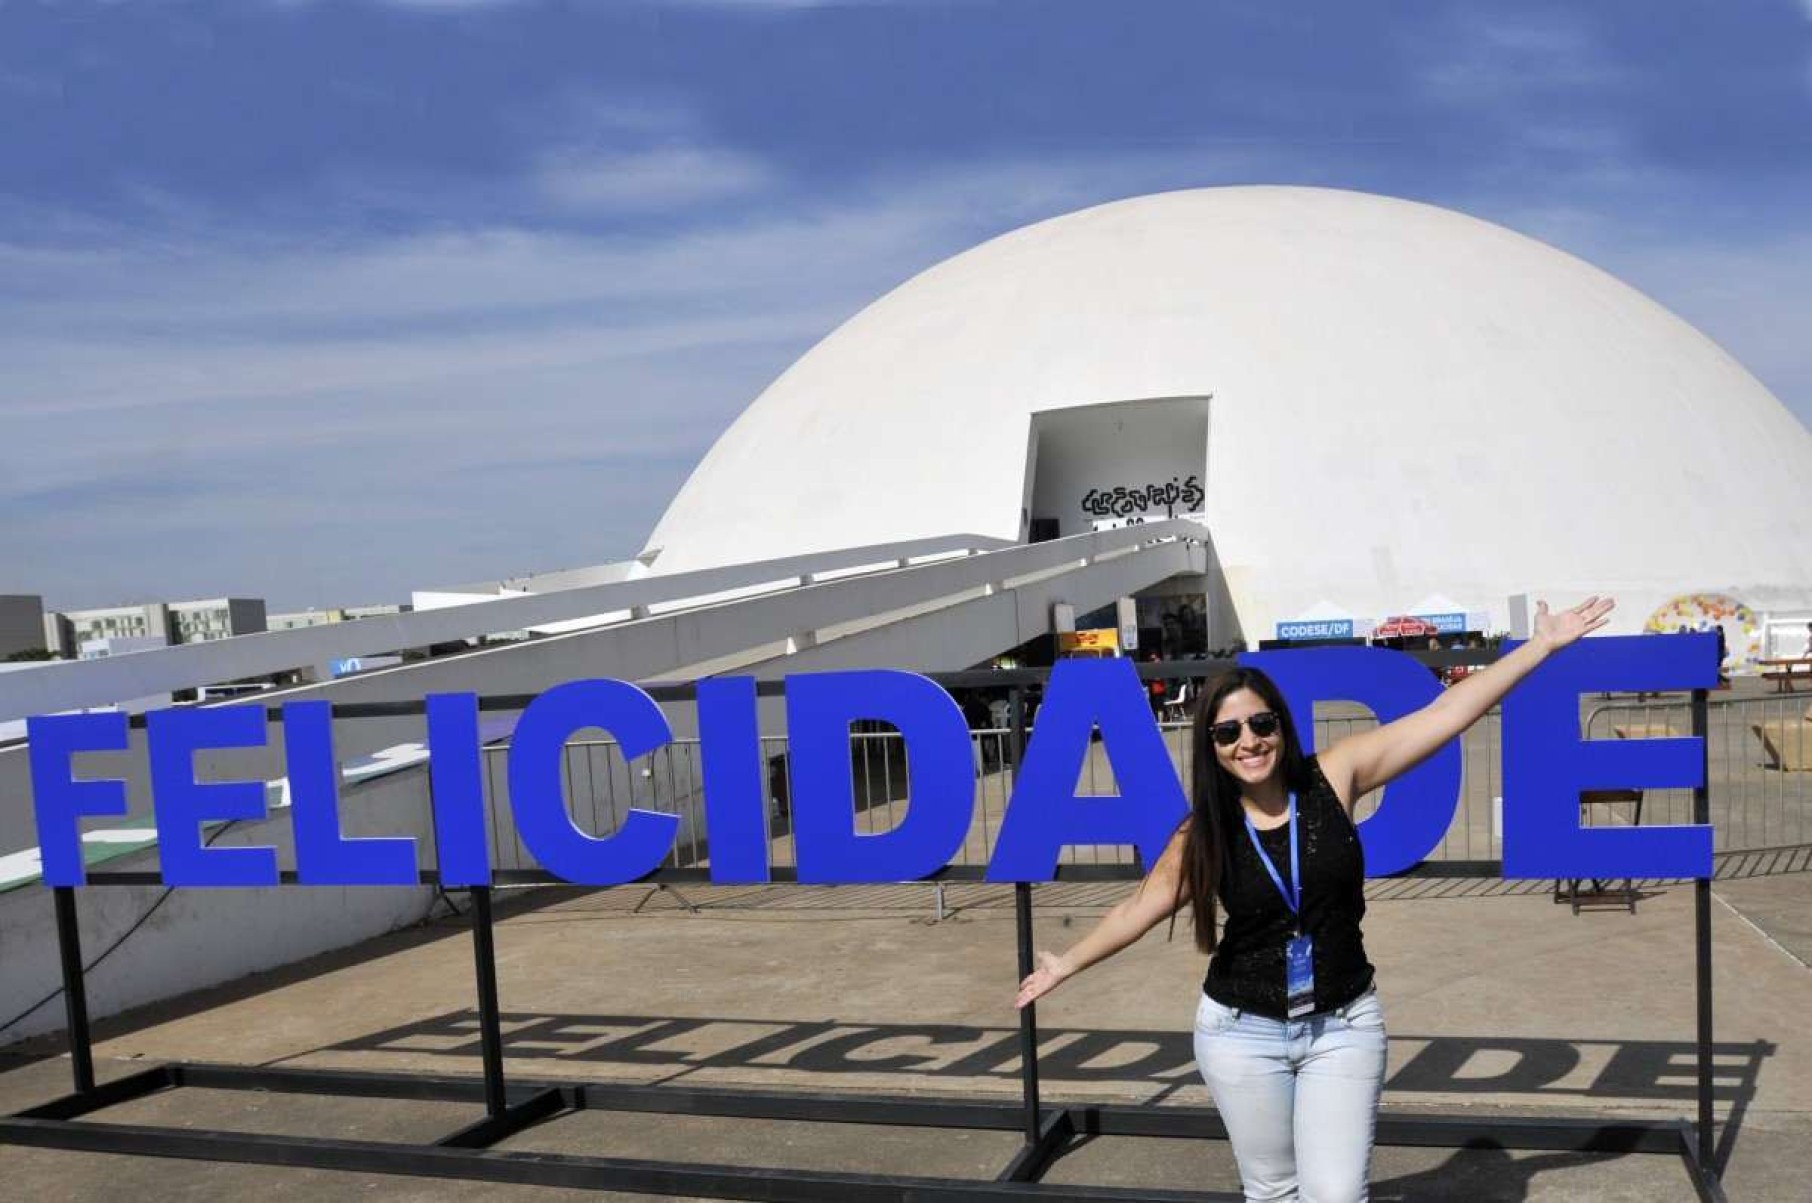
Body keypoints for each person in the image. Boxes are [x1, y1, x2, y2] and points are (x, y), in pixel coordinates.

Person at [1013, 597, 1615, 1201]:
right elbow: (1135, 912)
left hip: (1343, 1025)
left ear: (1281, 724)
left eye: (1261, 724)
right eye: (1228, 732)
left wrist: (1538, 647)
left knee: (1335, 1196)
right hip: (1240, 1033)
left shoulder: (1334, 776)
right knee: (1273, 1192)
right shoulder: (1205, 832)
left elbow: (1445, 714)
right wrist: (1066, 962)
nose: (1248, 741)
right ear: (1212, 746)